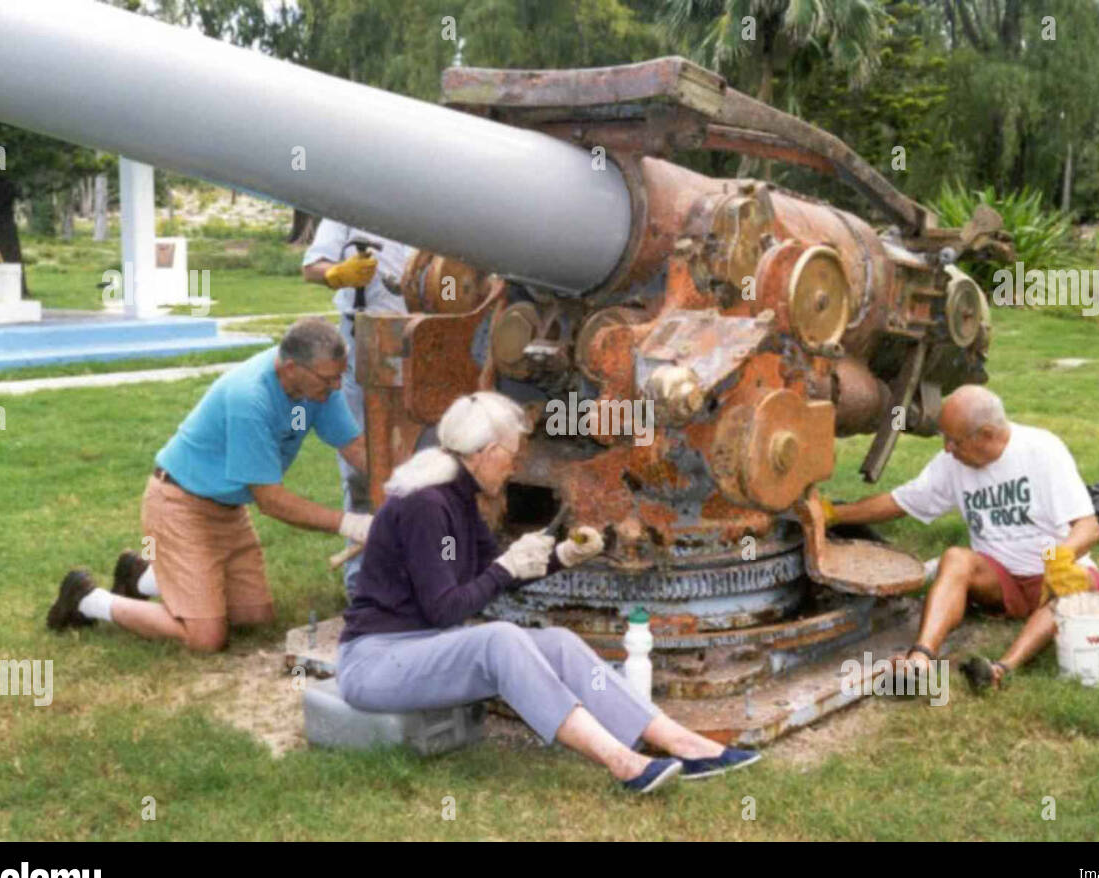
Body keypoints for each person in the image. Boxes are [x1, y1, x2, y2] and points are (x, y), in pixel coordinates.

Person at [337, 391, 761, 793]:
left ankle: (682, 743)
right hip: (376, 661)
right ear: (485, 453)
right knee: (499, 638)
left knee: (557, 643)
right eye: (511, 454)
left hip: (422, 647)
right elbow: (446, 608)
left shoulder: (457, 496)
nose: (515, 465)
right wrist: (505, 568)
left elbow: (496, 571)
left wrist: (562, 556)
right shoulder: (427, 506)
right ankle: (621, 761)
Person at [45, 318, 375, 653]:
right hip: (179, 505)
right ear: (291, 368)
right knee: (206, 638)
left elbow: (355, 447)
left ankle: (141, 577)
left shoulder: (315, 391)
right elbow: (272, 501)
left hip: (228, 510)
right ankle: (86, 598)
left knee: (254, 617)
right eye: (329, 378)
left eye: (340, 375)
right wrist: (352, 523)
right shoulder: (250, 398)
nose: (337, 387)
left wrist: (405, 484)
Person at [822, 385, 1099, 691]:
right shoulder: (954, 462)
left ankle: (1000, 669)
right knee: (956, 558)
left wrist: (1060, 558)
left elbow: (1089, 526)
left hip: (1053, 578)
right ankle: (920, 659)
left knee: (1074, 591)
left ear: (986, 434)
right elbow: (901, 501)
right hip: (1000, 581)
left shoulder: (1042, 450)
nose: (947, 448)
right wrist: (833, 514)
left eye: (954, 440)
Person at [302, 220, 415, 599]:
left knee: (427, 454)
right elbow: (310, 267)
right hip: (362, 336)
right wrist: (336, 275)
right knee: (361, 461)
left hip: (426, 336)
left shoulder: (434, 199)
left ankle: (423, 570)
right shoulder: (348, 207)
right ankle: (363, 583)